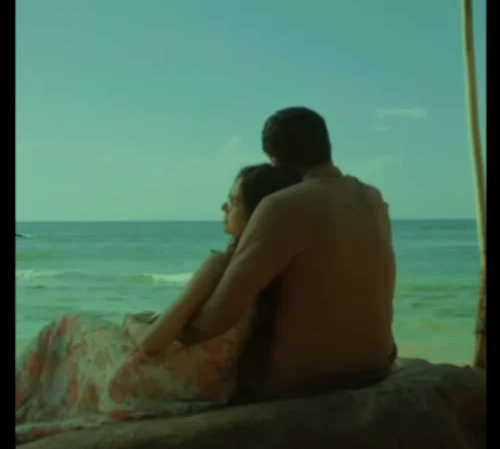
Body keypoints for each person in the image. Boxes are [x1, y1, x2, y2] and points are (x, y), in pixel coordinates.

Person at [15, 164, 302, 444]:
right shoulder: (272, 275)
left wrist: (131, 323)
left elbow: (151, 344)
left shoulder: (221, 266)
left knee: (65, 327)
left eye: (234, 202)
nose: (223, 207)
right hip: (201, 388)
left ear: (257, 216)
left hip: (146, 383)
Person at [181, 107, 397, 400]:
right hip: (377, 365)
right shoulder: (374, 198)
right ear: (326, 145)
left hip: (302, 381)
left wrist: (166, 331)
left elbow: (215, 319)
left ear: (274, 160)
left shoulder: (280, 205)